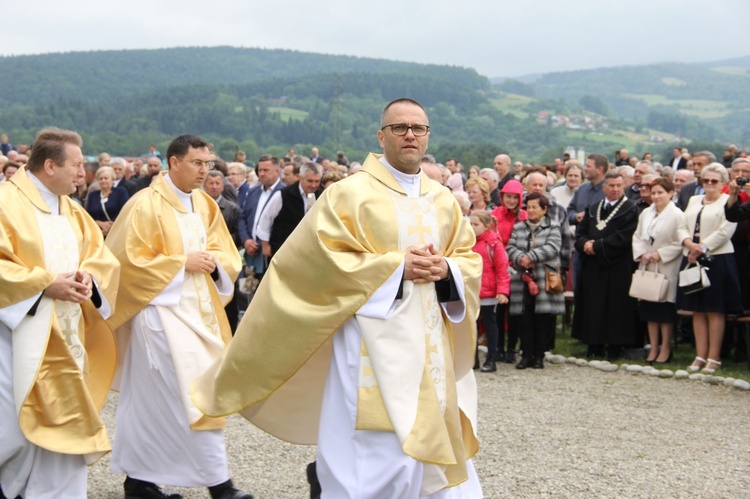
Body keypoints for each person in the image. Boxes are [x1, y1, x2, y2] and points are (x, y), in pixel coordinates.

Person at [192, 98, 483, 498]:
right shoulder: (350, 194)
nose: (410, 134)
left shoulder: (443, 199)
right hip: (370, 343)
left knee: (430, 457)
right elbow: (315, 262)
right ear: (382, 136)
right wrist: (396, 268)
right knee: (373, 454)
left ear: (428, 134)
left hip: (430, 345)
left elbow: (468, 259)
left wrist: (446, 271)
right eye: (400, 128)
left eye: (419, 127)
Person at [105, 135, 250, 499]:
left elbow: (224, 250)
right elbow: (125, 261)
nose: (205, 171)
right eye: (197, 163)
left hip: (199, 312)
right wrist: (179, 264)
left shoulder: (204, 204)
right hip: (158, 314)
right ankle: (221, 485)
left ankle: (138, 481)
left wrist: (215, 262)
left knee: (150, 399)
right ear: (173, 162)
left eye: (208, 164)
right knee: (195, 394)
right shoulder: (144, 205)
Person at [0, 127, 120, 498]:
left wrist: (89, 280)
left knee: (67, 422)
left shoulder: (73, 210)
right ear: (50, 165)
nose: (82, 173)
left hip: (69, 339)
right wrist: (43, 285)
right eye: (77, 165)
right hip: (17, 338)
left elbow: (102, 259)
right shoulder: (6, 203)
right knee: (14, 428)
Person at [677, 163, 741, 374]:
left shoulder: (728, 201)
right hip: (692, 257)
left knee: (714, 310)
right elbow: (682, 225)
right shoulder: (695, 200)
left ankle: (714, 357)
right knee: (697, 309)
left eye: (715, 181)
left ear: (723, 183)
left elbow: (726, 229)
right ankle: (699, 355)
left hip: (717, 259)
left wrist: (702, 248)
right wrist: (689, 244)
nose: (710, 184)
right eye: (707, 180)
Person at [572, 171, 640, 359]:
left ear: (624, 186)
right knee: (593, 304)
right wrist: (584, 244)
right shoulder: (594, 208)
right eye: (611, 185)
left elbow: (624, 236)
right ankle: (594, 344)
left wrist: (598, 246)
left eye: (619, 185)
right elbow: (581, 232)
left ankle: (615, 347)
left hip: (617, 265)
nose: (615, 189)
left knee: (615, 307)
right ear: (604, 187)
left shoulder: (630, 209)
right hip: (593, 266)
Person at [506, 193, 564, 369]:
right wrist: (521, 258)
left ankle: (539, 355)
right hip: (522, 279)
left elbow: (553, 247)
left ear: (544, 209)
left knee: (542, 318)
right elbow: (510, 247)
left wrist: (530, 256)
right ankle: (526, 354)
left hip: (543, 278)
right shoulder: (519, 227)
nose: (530, 210)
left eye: (534, 207)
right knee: (524, 318)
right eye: (528, 207)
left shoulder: (553, 226)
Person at [631, 178, 685, 363]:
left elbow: (679, 241)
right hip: (647, 263)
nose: (656, 196)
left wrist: (660, 254)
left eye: (660, 192)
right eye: (653, 193)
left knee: (664, 310)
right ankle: (653, 347)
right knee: (649, 310)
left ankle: (666, 348)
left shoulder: (677, 214)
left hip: (666, 265)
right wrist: (642, 253)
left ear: (670, 193)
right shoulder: (646, 213)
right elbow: (638, 236)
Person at [490, 179, 527, 363]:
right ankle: (498, 347)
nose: (511, 201)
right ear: (502, 196)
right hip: (498, 268)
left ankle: (512, 347)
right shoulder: (494, 214)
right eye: (508, 197)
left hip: (517, 268)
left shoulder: (524, 216)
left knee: (515, 312)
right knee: (498, 311)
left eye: (515, 197)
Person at [470, 210, 510, 372]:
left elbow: (502, 269)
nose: (472, 228)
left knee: (489, 324)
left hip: (488, 292)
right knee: (471, 326)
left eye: (476, 224)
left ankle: (491, 358)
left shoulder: (494, 244)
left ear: (486, 226)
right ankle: (472, 359)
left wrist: (502, 291)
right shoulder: (468, 243)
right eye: (470, 224)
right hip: (472, 291)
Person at [257, 162, 322, 258]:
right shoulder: (283, 195)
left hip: (309, 251)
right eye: (310, 181)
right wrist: (265, 244)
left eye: (317, 181)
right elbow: (265, 219)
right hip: (283, 249)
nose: (314, 185)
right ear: (300, 177)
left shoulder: (321, 194)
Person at [238, 155, 285, 280]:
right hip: (250, 250)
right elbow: (242, 217)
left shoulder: (284, 193)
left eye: (266, 170)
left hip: (269, 252)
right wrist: (246, 240)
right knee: (249, 290)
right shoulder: (253, 191)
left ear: (277, 171)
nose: (262, 174)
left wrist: (260, 244)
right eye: (260, 170)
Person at [85, 166, 130, 237]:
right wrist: (100, 223)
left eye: (106, 178)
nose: (103, 181)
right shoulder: (93, 195)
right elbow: (88, 215)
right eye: (101, 179)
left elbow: (124, 211)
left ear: (112, 180)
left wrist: (109, 227)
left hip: (116, 233)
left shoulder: (121, 192)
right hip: (98, 233)